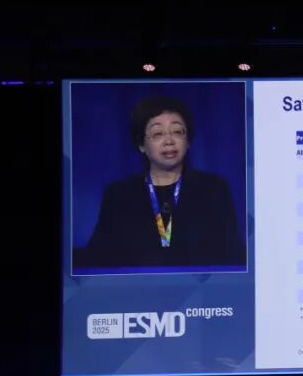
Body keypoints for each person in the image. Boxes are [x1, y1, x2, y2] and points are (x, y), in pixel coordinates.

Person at [81, 95, 246, 270]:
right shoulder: (119, 194)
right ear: (141, 145)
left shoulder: (213, 189)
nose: (169, 141)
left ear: (188, 141)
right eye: (157, 133)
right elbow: (98, 258)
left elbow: (232, 254)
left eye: (177, 132)